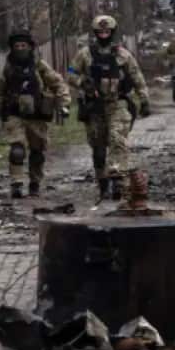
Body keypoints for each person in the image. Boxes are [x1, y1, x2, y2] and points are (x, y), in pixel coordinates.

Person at [67, 15, 153, 206]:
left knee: (117, 140)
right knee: (98, 148)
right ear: (95, 33)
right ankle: (103, 183)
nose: (103, 35)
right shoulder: (84, 54)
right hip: (94, 107)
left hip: (118, 104)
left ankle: (117, 180)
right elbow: (71, 74)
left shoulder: (123, 55)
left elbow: (137, 76)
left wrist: (145, 100)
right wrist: (83, 83)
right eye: (100, 32)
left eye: (107, 32)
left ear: (112, 32)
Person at [0, 30, 71, 198]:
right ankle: (16, 183)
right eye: (17, 46)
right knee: (17, 150)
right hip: (14, 114)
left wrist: (64, 103)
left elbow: (58, 83)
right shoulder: (7, 69)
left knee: (37, 151)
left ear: (30, 47)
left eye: (23, 45)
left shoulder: (39, 65)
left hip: (37, 115)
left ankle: (35, 182)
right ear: (12, 48)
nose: (20, 49)